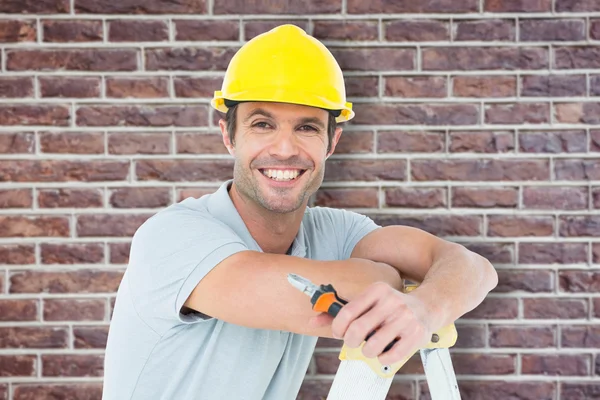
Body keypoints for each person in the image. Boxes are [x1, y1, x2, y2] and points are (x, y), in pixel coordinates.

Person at [102, 24, 498, 399]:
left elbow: (474, 268)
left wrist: (426, 308)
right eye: (262, 124)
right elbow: (298, 294)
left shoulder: (335, 233)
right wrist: (387, 277)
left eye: (306, 128)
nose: (286, 149)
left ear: (332, 141)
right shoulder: (172, 238)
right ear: (228, 134)